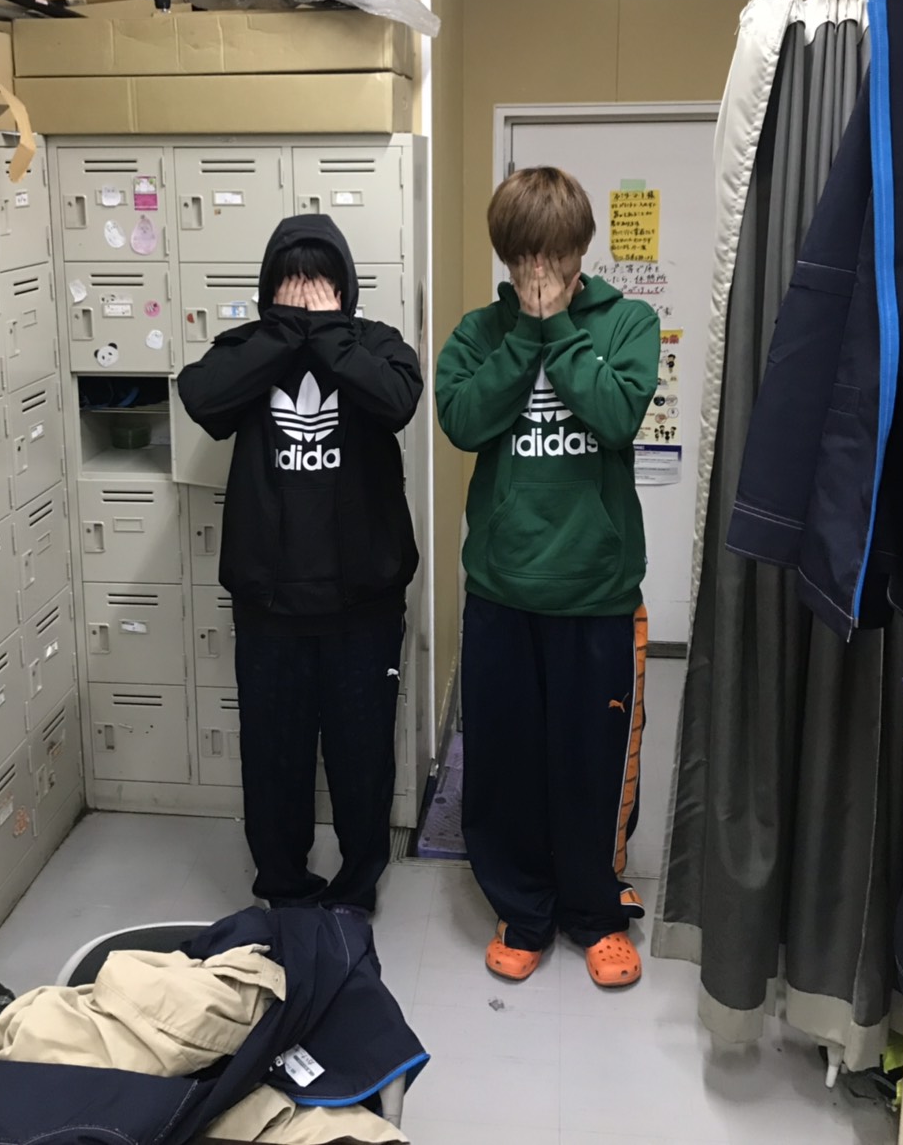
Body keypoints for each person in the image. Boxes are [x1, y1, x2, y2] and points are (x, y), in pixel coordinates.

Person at [436, 166, 659, 988]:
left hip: (595, 592)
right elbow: (463, 421)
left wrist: (558, 328)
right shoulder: (478, 332)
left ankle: (595, 912)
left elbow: (616, 416)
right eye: (526, 258)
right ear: (507, 255)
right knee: (506, 763)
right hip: (502, 590)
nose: (541, 274)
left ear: (579, 250)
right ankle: (523, 909)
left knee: (591, 764)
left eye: (555, 256)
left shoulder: (627, 322)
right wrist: (524, 338)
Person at [178, 216, 422, 917]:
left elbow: (397, 401)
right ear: (270, 290)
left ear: (345, 288)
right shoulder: (251, 349)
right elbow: (202, 397)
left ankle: (356, 888)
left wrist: (329, 333)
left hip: (363, 606)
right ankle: (283, 886)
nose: (307, 296)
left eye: (321, 282)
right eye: (292, 282)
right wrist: (286, 333)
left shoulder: (376, 344)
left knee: (362, 756)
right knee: (273, 756)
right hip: (270, 607)